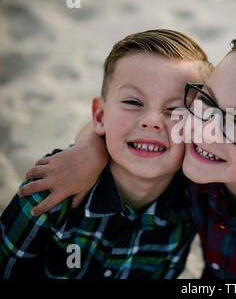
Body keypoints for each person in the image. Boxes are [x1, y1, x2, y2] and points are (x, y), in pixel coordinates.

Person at [18, 33, 236, 278]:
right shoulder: (196, 158)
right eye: (206, 102)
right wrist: (88, 151)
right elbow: (119, 125)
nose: (206, 129)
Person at [0, 29, 213, 278]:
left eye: (175, 110)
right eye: (133, 102)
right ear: (99, 116)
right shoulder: (53, 188)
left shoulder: (199, 199)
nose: (152, 122)